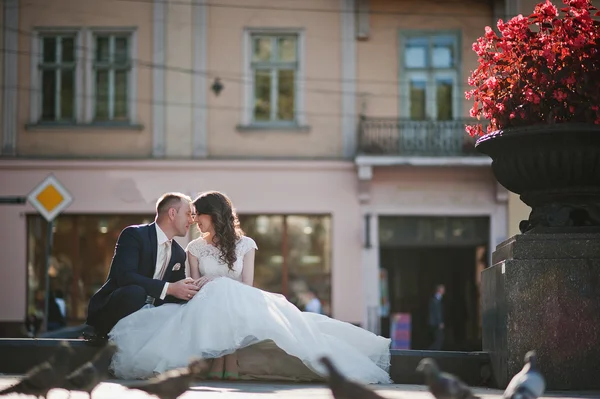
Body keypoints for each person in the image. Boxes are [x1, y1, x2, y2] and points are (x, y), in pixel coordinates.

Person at [109, 191, 391, 384]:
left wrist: (216, 280)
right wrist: (204, 284)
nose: (194, 220)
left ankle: (226, 362)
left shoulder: (246, 245)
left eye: (198, 215)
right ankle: (222, 362)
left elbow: (247, 284)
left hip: (239, 297)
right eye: (191, 215)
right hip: (205, 302)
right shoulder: (193, 248)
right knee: (213, 293)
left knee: (225, 291)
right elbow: (193, 284)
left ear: (212, 215)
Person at [86, 192, 199, 339]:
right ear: (172, 213)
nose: (191, 220)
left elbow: (174, 296)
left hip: (152, 317)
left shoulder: (178, 253)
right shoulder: (134, 235)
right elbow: (125, 277)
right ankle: (102, 333)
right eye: (188, 214)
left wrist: (190, 293)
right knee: (135, 292)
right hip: (116, 311)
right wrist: (170, 288)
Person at [428, 284, 445, 350]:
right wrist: (440, 322)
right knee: (440, 338)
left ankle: (433, 350)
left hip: (434, 322)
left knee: (438, 338)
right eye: (442, 289)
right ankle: (432, 351)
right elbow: (438, 312)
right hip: (435, 323)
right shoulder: (436, 300)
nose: (444, 291)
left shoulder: (436, 299)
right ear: (439, 290)